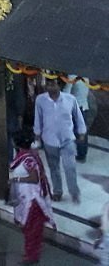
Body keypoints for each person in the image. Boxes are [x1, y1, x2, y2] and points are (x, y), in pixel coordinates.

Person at [34, 76, 86, 203]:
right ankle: (57, 192)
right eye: (48, 84)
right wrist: (37, 135)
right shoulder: (40, 100)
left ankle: (74, 192)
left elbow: (78, 117)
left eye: (53, 84)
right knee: (54, 167)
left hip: (67, 139)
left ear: (60, 86)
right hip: (49, 140)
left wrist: (81, 132)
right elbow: (38, 119)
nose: (50, 87)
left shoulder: (70, 99)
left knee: (70, 167)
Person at [10, 131, 56, 265]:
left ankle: (31, 256)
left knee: (32, 230)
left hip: (33, 201)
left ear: (17, 143)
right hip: (26, 198)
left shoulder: (28, 159)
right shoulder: (24, 156)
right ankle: (31, 253)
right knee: (29, 229)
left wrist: (16, 179)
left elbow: (34, 177)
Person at [64, 77, 97, 163]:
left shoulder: (72, 76)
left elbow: (66, 92)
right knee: (82, 132)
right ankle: (82, 154)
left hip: (75, 107)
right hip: (84, 106)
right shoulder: (86, 76)